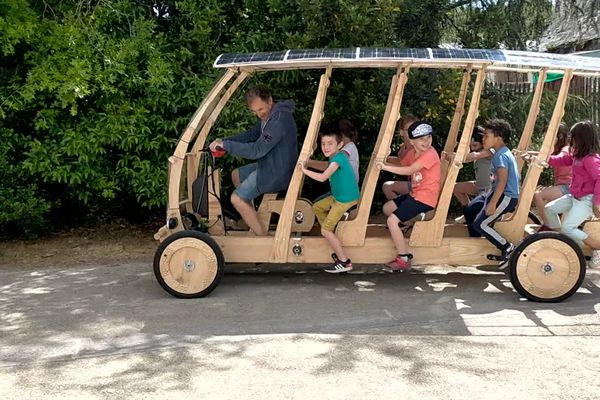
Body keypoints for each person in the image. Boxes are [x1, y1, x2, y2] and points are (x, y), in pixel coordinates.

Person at [209, 87, 297, 236]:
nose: (259, 114)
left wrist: (227, 146)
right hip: (273, 164)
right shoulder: (270, 116)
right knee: (236, 175)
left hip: (278, 172)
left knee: (236, 199)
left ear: (269, 101)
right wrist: (224, 141)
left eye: (260, 109)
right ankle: (252, 218)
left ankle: (262, 238)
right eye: (255, 112)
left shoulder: (278, 120)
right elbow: (250, 135)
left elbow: (257, 150)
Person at [377, 122, 441, 271]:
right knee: (387, 208)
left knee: (392, 221)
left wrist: (384, 167)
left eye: (428, 137)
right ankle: (412, 222)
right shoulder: (412, 153)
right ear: (411, 141)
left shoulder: (430, 153)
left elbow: (409, 170)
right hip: (415, 194)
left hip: (425, 198)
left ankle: (403, 258)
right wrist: (383, 159)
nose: (426, 142)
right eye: (421, 139)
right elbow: (401, 163)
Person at [301, 130, 360, 273]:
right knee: (317, 207)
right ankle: (332, 236)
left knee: (325, 229)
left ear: (340, 145)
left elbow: (322, 178)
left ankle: (344, 262)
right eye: (323, 144)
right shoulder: (334, 157)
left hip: (345, 200)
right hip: (338, 196)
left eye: (330, 144)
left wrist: (303, 169)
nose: (326, 147)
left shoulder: (338, 159)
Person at [543, 121, 600, 268]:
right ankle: (562, 240)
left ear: (582, 138)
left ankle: (596, 247)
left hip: (586, 201)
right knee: (549, 209)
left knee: (568, 228)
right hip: (574, 197)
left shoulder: (590, 159)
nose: (571, 140)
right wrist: (542, 158)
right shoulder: (577, 156)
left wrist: (596, 202)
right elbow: (559, 160)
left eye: (573, 137)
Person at [463, 119, 520, 263]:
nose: (483, 138)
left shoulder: (501, 156)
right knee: (470, 209)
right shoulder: (499, 152)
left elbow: (503, 181)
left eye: (486, 136)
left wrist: (492, 203)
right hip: (494, 193)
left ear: (498, 138)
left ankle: (507, 247)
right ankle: (477, 242)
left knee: (480, 224)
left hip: (506, 196)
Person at [446, 126, 493, 224]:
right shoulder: (477, 151)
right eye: (470, 145)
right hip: (478, 186)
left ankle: (474, 215)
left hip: (489, 189)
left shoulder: (489, 151)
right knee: (455, 187)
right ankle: (468, 212)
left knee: (481, 217)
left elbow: (474, 156)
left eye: (475, 144)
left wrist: (457, 157)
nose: (472, 147)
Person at [532, 123, 572, 231]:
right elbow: (544, 155)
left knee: (538, 196)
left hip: (568, 187)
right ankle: (550, 225)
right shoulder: (557, 149)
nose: (545, 139)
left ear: (559, 137)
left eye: (548, 137)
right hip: (562, 187)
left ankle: (551, 228)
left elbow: (559, 158)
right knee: (543, 199)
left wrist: (541, 158)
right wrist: (530, 154)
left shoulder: (566, 149)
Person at [306, 119, 360, 184]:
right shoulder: (347, 148)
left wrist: (308, 162)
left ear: (341, 135)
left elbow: (329, 166)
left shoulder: (349, 148)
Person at [381, 115, 419, 200]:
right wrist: (385, 158)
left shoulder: (416, 147)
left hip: (422, 185)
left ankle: (403, 210)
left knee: (387, 186)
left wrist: (385, 163)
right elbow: (400, 160)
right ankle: (406, 209)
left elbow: (404, 166)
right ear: (401, 132)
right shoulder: (404, 147)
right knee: (387, 186)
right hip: (413, 183)